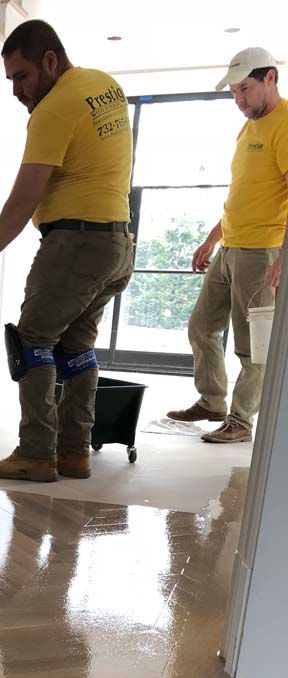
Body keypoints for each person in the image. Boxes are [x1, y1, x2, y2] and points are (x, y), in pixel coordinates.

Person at [0, 20, 133, 482]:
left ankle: (36, 453)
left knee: (32, 342)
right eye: (10, 81)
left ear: (49, 60)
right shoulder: (105, 86)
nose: (17, 90)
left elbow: (24, 198)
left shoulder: (55, 107)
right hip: (117, 245)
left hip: (76, 242)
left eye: (21, 76)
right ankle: (74, 451)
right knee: (77, 346)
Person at [167, 47, 288, 443]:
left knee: (252, 346)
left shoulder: (285, 124)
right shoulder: (249, 127)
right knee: (202, 326)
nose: (239, 100)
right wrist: (211, 240)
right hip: (231, 247)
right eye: (234, 92)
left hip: (262, 250)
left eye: (245, 89)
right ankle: (212, 401)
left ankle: (241, 420)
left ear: (270, 78)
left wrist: (282, 260)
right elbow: (245, 193)